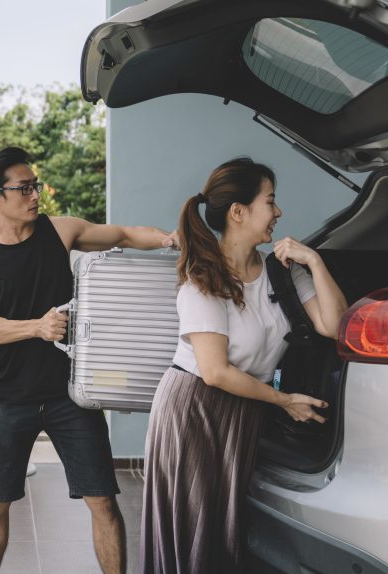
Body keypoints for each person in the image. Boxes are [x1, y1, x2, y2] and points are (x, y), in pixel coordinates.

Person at [0, 147, 176, 574]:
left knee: (103, 501)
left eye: (35, 185)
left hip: (69, 397)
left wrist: (169, 239)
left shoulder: (60, 231)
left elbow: (125, 235)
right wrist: (34, 327)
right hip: (10, 397)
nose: (35, 195)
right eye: (24, 188)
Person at [140, 157, 347, 573]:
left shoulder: (281, 273)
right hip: (195, 409)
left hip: (243, 407)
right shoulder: (203, 280)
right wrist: (284, 400)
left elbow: (335, 325)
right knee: (195, 528)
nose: (278, 212)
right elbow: (214, 371)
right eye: (270, 201)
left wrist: (316, 262)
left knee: (223, 533)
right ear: (239, 211)